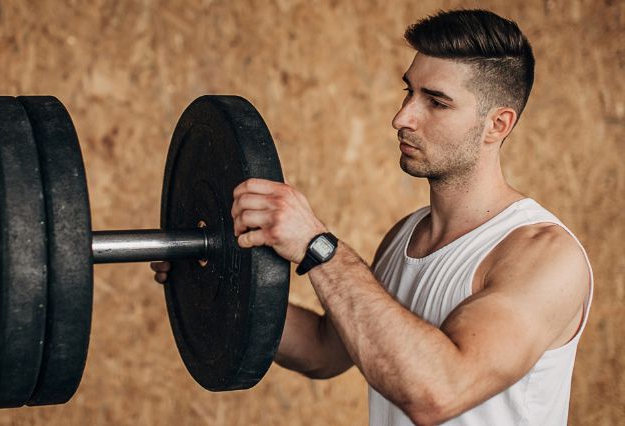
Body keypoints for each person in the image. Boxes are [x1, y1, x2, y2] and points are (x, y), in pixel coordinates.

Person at [151, 9, 592, 426]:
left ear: (497, 124)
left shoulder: (544, 257)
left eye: (436, 102)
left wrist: (317, 246)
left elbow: (437, 391)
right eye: (409, 92)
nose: (402, 117)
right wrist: (209, 283)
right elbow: (326, 350)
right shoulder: (405, 237)